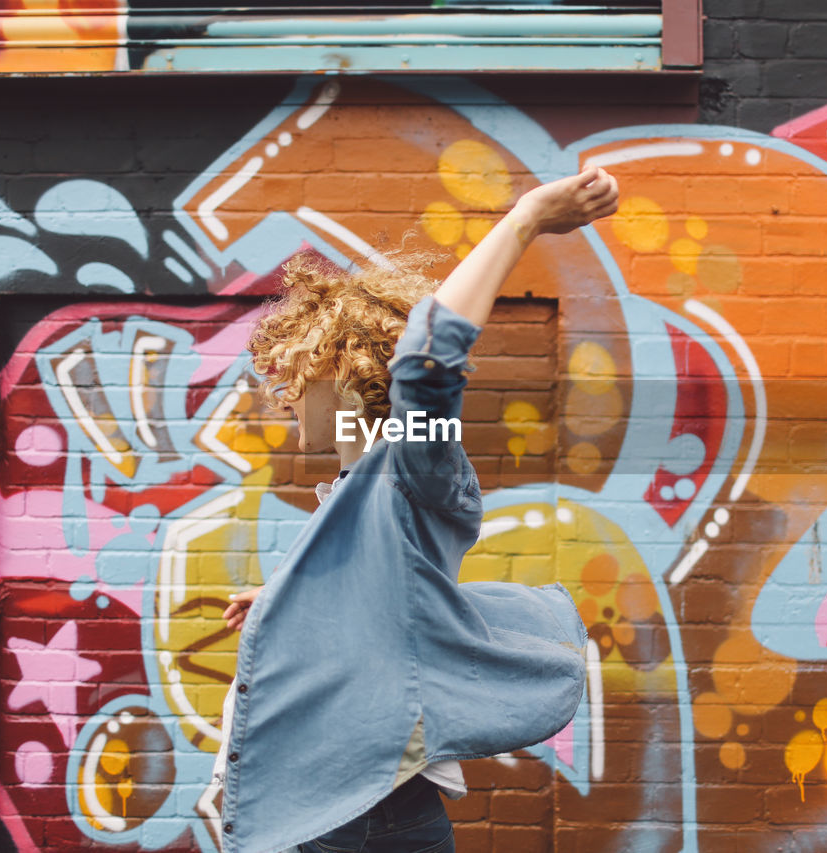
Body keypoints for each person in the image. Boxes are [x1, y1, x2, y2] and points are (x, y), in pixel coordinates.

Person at [214, 166, 620, 853]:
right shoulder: (361, 487)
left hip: (360, 821)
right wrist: (293, 605)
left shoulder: (415, 467)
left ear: (348, 369)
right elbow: (395, 597)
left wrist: (524, 219)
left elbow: (429, 366)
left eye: (294, 368)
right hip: (333, 810)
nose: (279, 390)